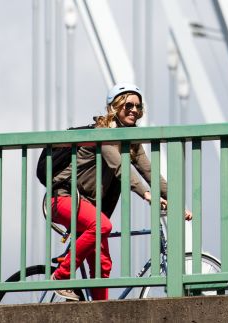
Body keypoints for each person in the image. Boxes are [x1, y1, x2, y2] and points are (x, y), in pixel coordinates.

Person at [47, 83, 192, 301]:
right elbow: (120, 168)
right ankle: (61, 277)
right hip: (63, 199)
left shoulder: (131, 143)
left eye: (138, 107)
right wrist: (145, 194)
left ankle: (100, 310)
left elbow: (150, 173)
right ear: (115, 107)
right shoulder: (101, 134)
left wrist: (177, 202)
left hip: (86, 206)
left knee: (103, 264)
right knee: (103, 225)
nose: (135, 110)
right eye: (128, 105)